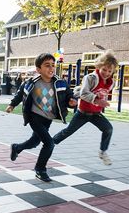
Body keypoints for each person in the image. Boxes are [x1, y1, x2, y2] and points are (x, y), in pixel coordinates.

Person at [5, 53, 77, 182]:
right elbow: (20, 94)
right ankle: (40, 169)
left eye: (53, 65)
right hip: (34, 116)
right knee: (49, 143)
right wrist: (12, 104)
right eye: (47, 65)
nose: (51, 68)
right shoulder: (31, 82)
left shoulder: (60, 82)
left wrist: (72, 101)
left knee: (34, 142)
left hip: (48, 118)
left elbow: (68, 96)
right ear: (38, 69)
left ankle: (17, 147)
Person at [53, 50, 118, 165]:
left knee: (108, 129)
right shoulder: (90, 78)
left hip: (96, 114)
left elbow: (102, 93)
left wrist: (102, 101)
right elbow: (83, 94)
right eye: (104, 69)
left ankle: (103, 152)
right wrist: (97, 100)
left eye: (110, 71)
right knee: (68, 131)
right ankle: (51, 142)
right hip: (83, 113)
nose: (106, 73)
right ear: (99, 66)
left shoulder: (110, 82)